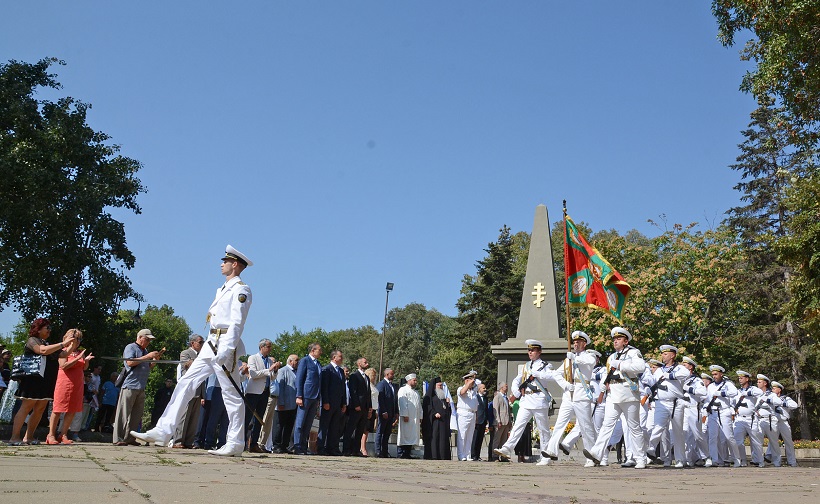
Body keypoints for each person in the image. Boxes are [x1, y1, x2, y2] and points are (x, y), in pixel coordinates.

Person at [131, 245, 253, 457]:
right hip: (211, 342)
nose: (221, 264)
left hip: (224, 344)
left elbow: (237, 322)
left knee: (231, 394)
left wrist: (226, 350)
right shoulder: (223, 288)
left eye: (225, 261)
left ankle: (235, 442)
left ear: (235, 264)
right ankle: (163, 430)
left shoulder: (241, 289)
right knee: (186, 382)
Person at [583, 327, 648, 469]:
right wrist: (602, 387)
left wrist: (620, 364)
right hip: (613, 393)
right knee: (607, 425)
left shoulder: (633, 353)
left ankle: (640, 458)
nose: (615, 341)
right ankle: (597, 453)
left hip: (628, 393)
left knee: (634, 427)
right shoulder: (612, 356)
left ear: (626, 341)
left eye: (619, 339)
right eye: (614, 339)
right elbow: (608, 374)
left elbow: (640, 367)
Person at [9, 319, 76, 445]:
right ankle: (14, 437)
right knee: (26, 407)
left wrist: (72, 344)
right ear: (38, 329)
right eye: (47, 328)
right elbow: (42, 350)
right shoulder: (32, 340)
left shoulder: (47, 343)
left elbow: (63, 354)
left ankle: (28, 437)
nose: (49, 330)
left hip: (45, 381)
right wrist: (63, 343)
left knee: (40, 409)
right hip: (33, 380)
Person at [493, 339, 558, 466]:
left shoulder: (546, 365)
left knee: (543, 430)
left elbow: (552, 376)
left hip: (539, 399)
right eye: (529, 350)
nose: (530, 352)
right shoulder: (526, 366)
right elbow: (517, 380)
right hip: (526, 400)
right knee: (518, 425)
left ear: (539, 352)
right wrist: (515, 391)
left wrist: (538, 374)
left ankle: (545, 456)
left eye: (533, 350)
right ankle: (506, 448)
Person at [545, 331, 597, 466]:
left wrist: (575, 358)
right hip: (569, 395)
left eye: (578, 342)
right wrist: (565, 385)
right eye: (574, 342)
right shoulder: (568, 359)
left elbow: (591, 362)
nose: (575, 344)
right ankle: (552, 450)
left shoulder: (588, 355)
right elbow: (556, 374)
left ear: (584, 344)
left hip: (582, 394)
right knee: (559, 423)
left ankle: (592, 455)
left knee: (585, 426)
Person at [645, 344, 690, 468]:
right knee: (658, 426)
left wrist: (670, 376)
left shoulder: (679, 368)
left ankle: (680, 459)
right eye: (662, 354)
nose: (663, 356)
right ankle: (651, 448)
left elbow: (686, 374)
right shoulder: (659, 370)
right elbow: (653, 382)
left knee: (677, 432)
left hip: (676, 403)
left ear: (672, 355)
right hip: (661, 402)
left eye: (665, 354)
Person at [46, 329, 93, 445]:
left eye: (79, 339)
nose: (77, 341)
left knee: (72, 410)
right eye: (75, 338)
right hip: (64, 383)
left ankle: (63, 434)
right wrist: (77, 358)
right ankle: (51, 435)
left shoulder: (80, 352)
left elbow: (84, 368)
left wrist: (86, 361)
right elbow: (64, 366)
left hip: (77, 384)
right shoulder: (63, 351)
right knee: (58, 409)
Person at [245, 338, 279, 453]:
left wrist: (275, 371)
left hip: (265, 392)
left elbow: (272, 377)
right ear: (261, 347)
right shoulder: (253, 358)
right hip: (253, 392)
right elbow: (253, 374)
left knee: (259, 419)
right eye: (268, 346)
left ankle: (254, 444)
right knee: (247, 418)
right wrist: (268, 370)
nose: (270, 349)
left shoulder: (269, 360)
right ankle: (242, 442)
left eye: (270, 346)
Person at [704, 364, 741, 467]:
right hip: (713, 413)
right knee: (712, 438)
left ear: (721, 374)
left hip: (724, 412)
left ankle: (736, 458)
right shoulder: (711, 386)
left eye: (716, 374)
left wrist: (721, 393)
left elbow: (734, 392)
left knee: (729, 437)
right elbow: (707, 400)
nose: (714, 376)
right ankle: (714, 459)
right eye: (713, 374)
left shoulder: (727, 384)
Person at [173, 334, 205, 449]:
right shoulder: (185, 353)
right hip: (188, 389)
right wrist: (202, 360)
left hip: (198, 390)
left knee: (194, 418)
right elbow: (187, 365)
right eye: (200, 342)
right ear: (192, 343)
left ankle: (189, 441)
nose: (202, 344)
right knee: (184, 416)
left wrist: (203, 395)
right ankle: (178, 440)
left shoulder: (202, 355)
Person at [293, 342, 322, 455]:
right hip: (305, 396)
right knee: (300, 423)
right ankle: (297, 446)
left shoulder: (318, 363)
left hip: (315, 397)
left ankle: (304, 447)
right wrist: (299, 395)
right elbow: (299, 378)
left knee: (308, 424)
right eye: (319, 350)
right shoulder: (305, 361)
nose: (321, 352)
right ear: (313, 350)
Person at [731, 370, 763, 467]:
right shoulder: (737, 391)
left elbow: (760, 392)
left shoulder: (753, 389)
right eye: (739, 378)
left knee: (755, 441)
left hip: (751, 419)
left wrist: (747, 393)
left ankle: (760, 460)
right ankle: (743, 460)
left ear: (747, 379)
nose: (740, 379)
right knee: (738, 441)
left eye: (742, 378)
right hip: (739, 419)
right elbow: (732, 403)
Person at [318, 349, 347, 456]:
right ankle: (321, 448)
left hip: (338, 404)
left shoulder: (340, 371)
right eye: (340, 357)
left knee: (335, 427)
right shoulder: (327, 369)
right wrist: (325, 401)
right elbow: (324, 387)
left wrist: (344, 403)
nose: (342, 359)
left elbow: (343, 388)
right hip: (328, 403)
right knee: (324, 426)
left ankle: (332, 448)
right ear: (334, 357)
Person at [344, 357, 372, 457]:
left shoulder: (367, 377)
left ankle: (356, 450)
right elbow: (353, 391)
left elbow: (368, 393)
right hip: (356, 407)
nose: (367, 363)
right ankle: (346, 449)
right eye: (365, 362)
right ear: (359, 364)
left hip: (365, 408)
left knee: (360, 430)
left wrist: (369, 407)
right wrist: (356, 404)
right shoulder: (354, 376)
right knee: (350, 429)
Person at [755, 374, 783, 467]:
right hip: (760, 420)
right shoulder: (759, 395)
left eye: (760, 382)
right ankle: (760, 461)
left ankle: (777, 461)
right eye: (757, 382)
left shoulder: (771, 394)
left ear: (765, 383)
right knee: (758, 442)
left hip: (770, 420)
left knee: (773, 442)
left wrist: (768, 400)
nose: (757, 383)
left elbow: (779, 402)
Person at [272, 354, 298, 453]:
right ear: (290, 361)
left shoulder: (296, 372)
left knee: (289, 426)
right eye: (296, 360)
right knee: (279, 425)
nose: (298, 362)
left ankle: (284, 445)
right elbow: (280, 387)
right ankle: (276, 445)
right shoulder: (283, 371)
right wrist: (280, 402)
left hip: (293, 405)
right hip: (283, 404)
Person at [770, 381, 798, 467]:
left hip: (783, 422)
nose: (772, 390)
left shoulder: (786, 398)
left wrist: (782, 403)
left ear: (779, 390)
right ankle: (776, 462)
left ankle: (792, 461)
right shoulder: (771, 397)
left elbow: (795, 405)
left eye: (774, 388)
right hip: (774, 422)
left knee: (788, 442)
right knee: (773, 442)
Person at [397, 373, 422, 459]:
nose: (415, 382)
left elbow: (419, 405)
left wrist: (420, 416)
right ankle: (401, 453)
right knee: (405, 434)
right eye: (414, 380)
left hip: (415, 418)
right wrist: (405, 414)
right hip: (407, 417)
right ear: (409, 380)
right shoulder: (403, 390)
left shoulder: (416, 392)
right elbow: (402, 403)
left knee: (412, 435)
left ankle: (407, 453)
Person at [376, 368, 398, 458]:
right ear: (387, 374)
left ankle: (385, 451)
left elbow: (394, 400)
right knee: (380, 432)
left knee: (387, 433)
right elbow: (380, 399)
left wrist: (396, 412)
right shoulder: (382, 384)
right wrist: (383, 411)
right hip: (384, 413)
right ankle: (378, 451)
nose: (393, 375)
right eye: (391, 374)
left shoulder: (392, 386)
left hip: (391, 413)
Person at [427, 378, 451, 460]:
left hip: (444, 422)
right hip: (435, 422)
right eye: (439, 385)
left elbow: (447, 410)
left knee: (443, 439)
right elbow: (428, 408)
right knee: (436, 438)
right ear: (434, 386)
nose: (441, 387)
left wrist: (448, 404)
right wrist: (434, 413)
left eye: (441, 386)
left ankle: (443, 455)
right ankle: (435, 455)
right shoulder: (431, 397)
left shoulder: (443, 397)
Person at [491, 382, 511, 461]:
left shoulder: (506, 397)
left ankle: (503, 456)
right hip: (500, 422)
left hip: (506, 421)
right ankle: (495, 456)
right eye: (506, 386)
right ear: (502, 387)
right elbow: (495, 410)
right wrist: (498, 421)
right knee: (497, 440)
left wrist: (510, 421)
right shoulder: (497, 397)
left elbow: (508, 410)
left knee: (504, 440)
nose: (507, 387)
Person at [364, 367, 380, 456]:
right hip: (369, 409)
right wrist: (369, 410)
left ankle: (363, 447)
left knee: (368, 430)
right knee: (365, 429)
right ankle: (362, 448)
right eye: (373, 375)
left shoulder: (373, 385)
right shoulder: (368, 385)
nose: (374, 377)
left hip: (374, 409)